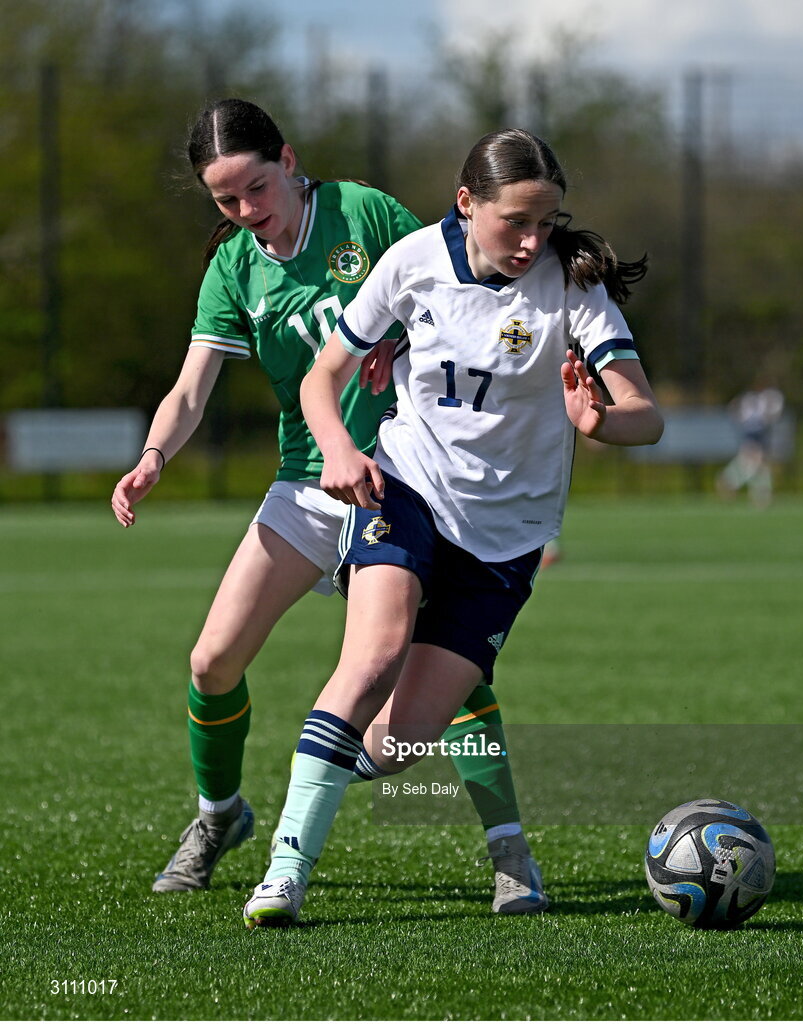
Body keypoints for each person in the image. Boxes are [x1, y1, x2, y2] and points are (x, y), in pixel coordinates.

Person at [111, 99, 543, 913]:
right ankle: (219, 818)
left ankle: (508, 848)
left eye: (257, 189)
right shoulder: (235, 266)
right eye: (226, 201)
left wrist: (400, 343)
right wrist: (152, 456)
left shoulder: (362, 212)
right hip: (309, 482)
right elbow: (191, 387)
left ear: (289, 159)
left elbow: (450, 294)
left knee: (444, 664)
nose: (247, 212)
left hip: (408, 476)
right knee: (210, 663)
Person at [242, 128, 664, 928]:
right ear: (467, 203)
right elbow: (322, 377)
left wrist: (600, 421)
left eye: (548, 221)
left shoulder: (572, 287)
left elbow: (646, 416)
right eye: (516, 222)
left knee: (401, 743)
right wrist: (336, 446)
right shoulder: (410, 261)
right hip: (406, 487)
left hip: (508, 539)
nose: (533, 240)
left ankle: (341, 771)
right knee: (370, 660)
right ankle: (286, 872)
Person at [716, 382, 785, 508]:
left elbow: (734, 409)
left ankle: (757, 492)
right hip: (754, 433)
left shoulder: (751, 399)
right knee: (754, 464)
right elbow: (768, 415)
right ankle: (731, 481)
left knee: (756, 464)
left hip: (754, 433)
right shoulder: (757, 400)